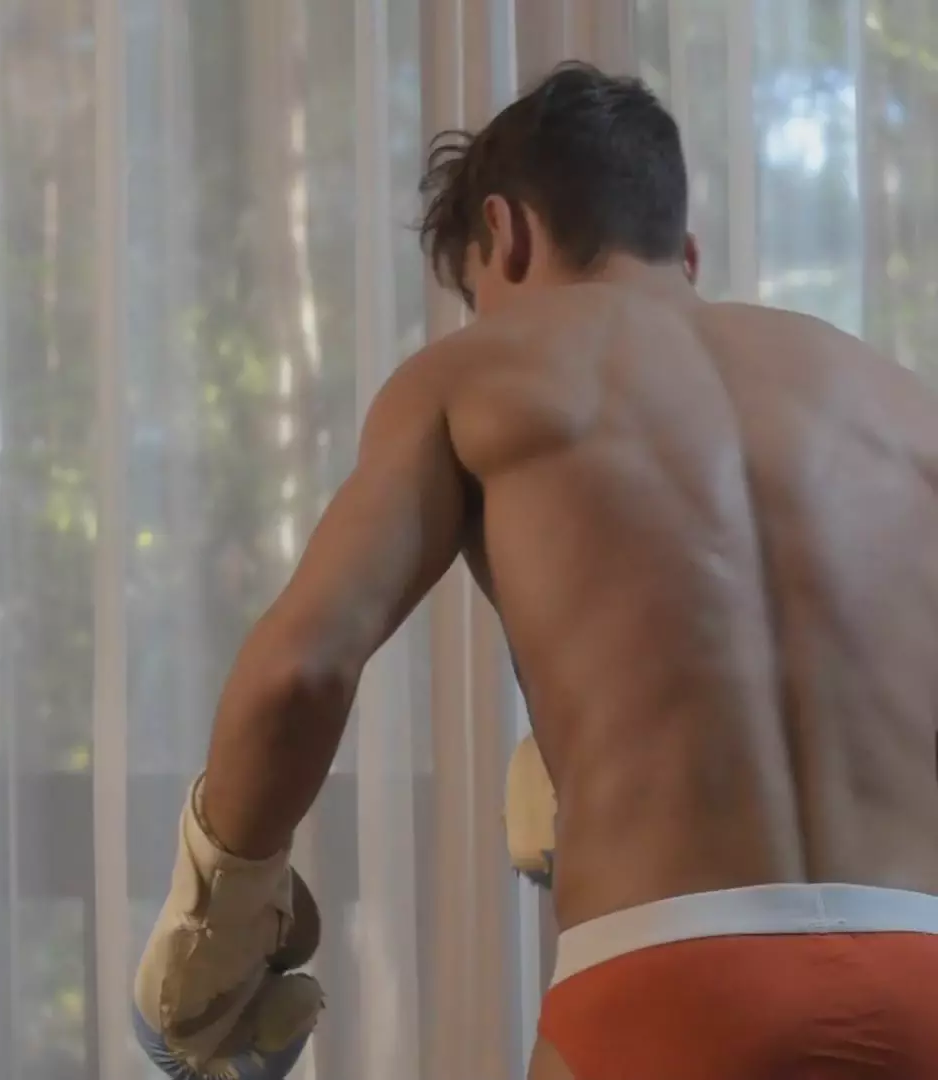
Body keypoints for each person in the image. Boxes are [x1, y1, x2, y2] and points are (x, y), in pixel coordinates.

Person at [132, 60, 938, 1080]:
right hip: (918, 968)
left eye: (479, 298)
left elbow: (302, 671)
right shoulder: (899, 404)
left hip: (663, 985)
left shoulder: (478, 372)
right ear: (684, 253)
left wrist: (217, 909)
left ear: (505, 234)